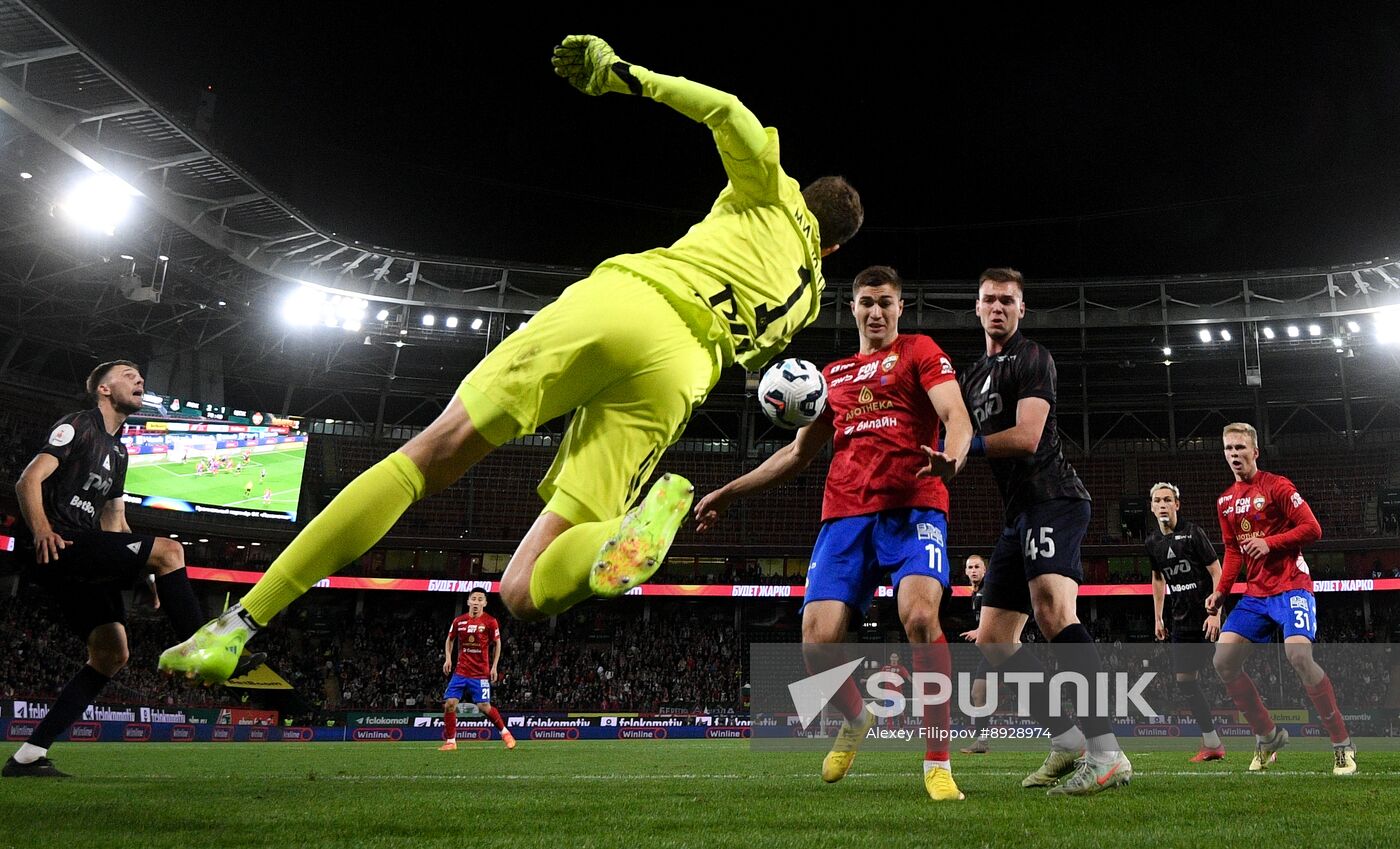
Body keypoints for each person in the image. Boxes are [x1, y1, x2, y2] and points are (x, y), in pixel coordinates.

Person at [160, 33, 863, 683]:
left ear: (806, 202)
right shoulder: (809, 299)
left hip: (633, 301)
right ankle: (609, 542)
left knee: (435, 451)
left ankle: (241, 624)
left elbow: (729, 112)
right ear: (833, 249)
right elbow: (762, 358)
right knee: (524, 591)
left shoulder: (771, 193)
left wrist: (626, 76)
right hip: (683, 372)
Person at [695, 265, 972, 801]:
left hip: (914, 506)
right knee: (816, 644)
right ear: (852, 308)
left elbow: (956, 416)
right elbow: (797, 454)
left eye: (886, 302)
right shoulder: (831, 377)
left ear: (899, 307)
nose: (876, 311)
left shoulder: (920, 351)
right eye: (867, 301)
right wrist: (730, 492)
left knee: (918, 615)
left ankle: (937, 762)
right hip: (844, 515)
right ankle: (855, 718)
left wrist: (952, 462)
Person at [958, 267, 1131, 796]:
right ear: (978, 307)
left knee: (1055, 612)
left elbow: (1030, 436)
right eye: (989, 299)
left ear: (1021, 309)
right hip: (1017, 515)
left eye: (1008, 300)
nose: (998, 308)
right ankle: (1067, 740)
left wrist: (969, 447)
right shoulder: (970, 377)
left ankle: (1108, 753)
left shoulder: (1033, 358)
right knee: (993, 639)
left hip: (1055, 497)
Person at [2, 361, 210, 777]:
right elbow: (28, 480)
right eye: (128, 374)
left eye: (140, 376)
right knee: (171, 549)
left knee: (112, 653)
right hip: (58, 542)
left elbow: (115, 524)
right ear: (102, 388)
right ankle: (201, 647)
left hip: (81, 556)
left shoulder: (119, 451)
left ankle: (28, 756)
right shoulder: (78, 425)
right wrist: (42, 529)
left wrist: (146, 575)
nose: (139, 380)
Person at [1206, 423, 1356, 775]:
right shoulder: (1225, 501)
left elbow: (1312, 528)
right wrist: (1221, 591)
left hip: (1291, 585)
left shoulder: (1277, 486)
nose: (1234, 454)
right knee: (1222, 660)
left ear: (1255, 452)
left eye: (1240, 448)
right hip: (1256, 594)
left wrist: (1270, 543)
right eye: (1228, 448)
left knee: (1299, 656)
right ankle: (1267, 735)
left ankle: (1341, 743)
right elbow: (1232, 551)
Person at [1144, 482, 1224, 762]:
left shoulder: (1193, 534)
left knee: (1230, 672)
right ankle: (1212, 743)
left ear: (1177, 504)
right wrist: (1158, 617)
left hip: (1206, 618)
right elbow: (1157, 579)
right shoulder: (1152, 542)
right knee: (1185, 681)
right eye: (1158, 500)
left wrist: (1215, 613)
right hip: (1180, 621)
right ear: (1152, 507)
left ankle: (1265, 738)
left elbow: (1217, 571)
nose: (1163, 504)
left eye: (1168, 499)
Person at [440, 590, 515, 751]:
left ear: (484, 603)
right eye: (473, 599)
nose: (476, 602)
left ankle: (505, 733)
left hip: (480, 673)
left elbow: (497, 643)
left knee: (483, 706)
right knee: (449, 704)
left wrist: (494, 666)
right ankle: (451, 741)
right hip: (460, 672)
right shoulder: (459, 621)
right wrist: (448, 658)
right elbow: (450, 639)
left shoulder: (490, 622)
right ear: (468, 601)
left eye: (480, 599)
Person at [959, 553, 994, 754]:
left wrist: (979, 631)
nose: (973, 570)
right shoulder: (977, 592)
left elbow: (997, 617)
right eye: (970, 567)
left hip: (1002, 648)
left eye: (977, 567)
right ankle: (982, 741)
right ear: (965, 571)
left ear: (984, 570)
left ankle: (1067, 734)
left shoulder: (989, 590)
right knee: (977, 693)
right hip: (991, 651)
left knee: (1031, 693)